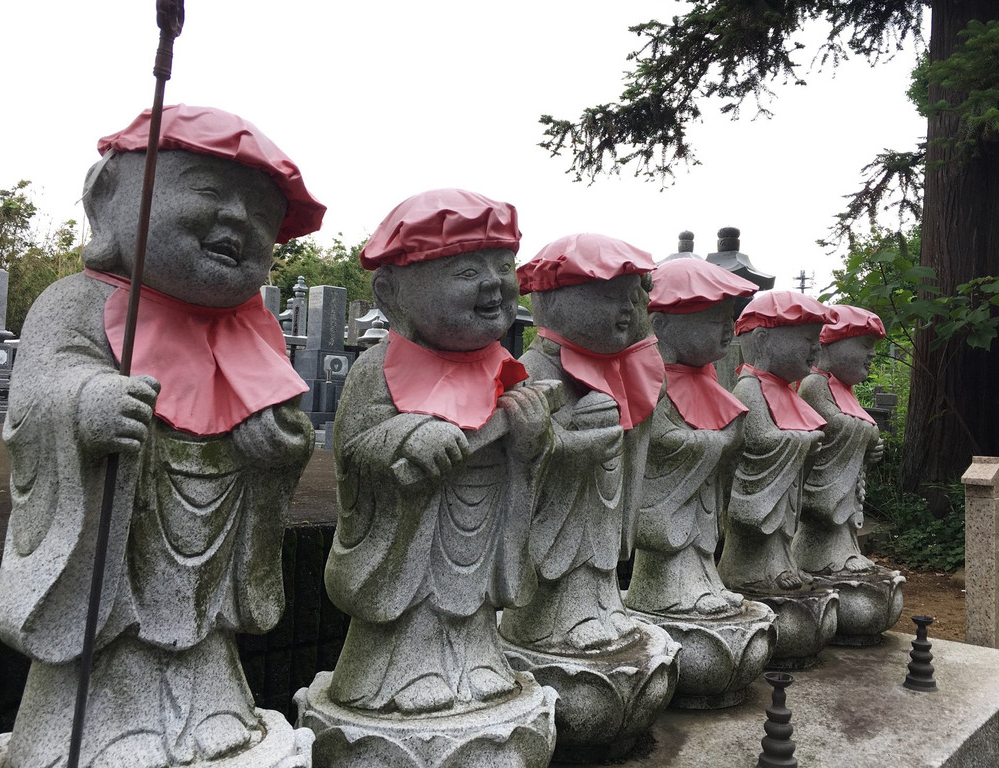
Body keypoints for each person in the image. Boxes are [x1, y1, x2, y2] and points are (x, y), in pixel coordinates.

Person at [0, 105, 324, 767]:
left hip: (208, 569)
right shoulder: (77, 303)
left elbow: (282, 425)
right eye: (207, 190)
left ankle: (214, 709)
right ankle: (97, 725)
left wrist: (278, 447)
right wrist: (86, 404)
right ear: (108, 201)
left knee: (208, 654)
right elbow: (38, 396)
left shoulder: (252, 333)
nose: (239, 219)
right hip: (111, 562)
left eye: (262, 213)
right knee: (103, 674)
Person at [322, 188, 553, 714]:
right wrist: (404, 435)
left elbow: (534, 461)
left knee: (473, 612)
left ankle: (478, 660)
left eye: (503, 267)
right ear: (392, 294)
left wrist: (531, 442)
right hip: (406, 551)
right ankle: (397, 671)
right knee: (408, 626)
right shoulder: (377, 369)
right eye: (467, 271)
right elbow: (353, 453)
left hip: (481, 537)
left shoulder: (507, 370)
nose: (494, 283)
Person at [499, 234, 664, 653]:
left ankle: (601, 606)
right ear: (553, 302)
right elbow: (521, 457)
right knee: (563, 578)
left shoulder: (615, 371)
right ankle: (556, 620)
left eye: (632, 298)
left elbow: (641, 419)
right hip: (556, 534)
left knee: (598, 567)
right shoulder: (532, 370)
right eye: (611, 296)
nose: (627, 309)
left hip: (598, 522)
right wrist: (573, 442)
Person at [625, 257, 758, 618]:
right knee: (675, 544)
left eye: (730, 319)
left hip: (700, 492)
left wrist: (727, 441)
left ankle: (705, 582)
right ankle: (666, 593)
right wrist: (713, 443)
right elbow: (657, 440)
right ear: (662, 325)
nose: (728, 330)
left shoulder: (710, 380)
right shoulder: (652, 381)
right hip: (668, 499)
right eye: (715, 321)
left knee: (701, 539)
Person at [716, 291, 837, 595]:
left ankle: (783, 565)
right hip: (758, 500)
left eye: (817, 339)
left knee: (781, 535)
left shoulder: (787, 392)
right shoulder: (749, 389)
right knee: (758, 543)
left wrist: (806, 445)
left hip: (783, 493)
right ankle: (748, 571)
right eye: (807, 339)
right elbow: (759, 441)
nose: (816, 347)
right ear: (762, 340)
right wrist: (803, 441)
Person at [795, 305, 886, 574]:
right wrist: (868, 434)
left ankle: (845, 550)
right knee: (825, 527)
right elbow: (836, 425)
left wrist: (869, 446)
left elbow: (857, 425)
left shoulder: (846, 390)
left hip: (845, 482)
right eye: (865, 345)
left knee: (844, 528)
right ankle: (823, 556)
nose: (872, 353)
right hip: (824, 482)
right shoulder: (815, 383)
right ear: (829, 346)